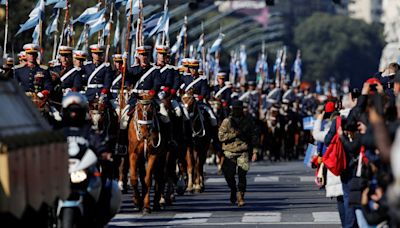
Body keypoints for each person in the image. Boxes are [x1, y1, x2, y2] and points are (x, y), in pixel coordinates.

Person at [218, 100, 259, 207]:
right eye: (235, 109)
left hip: (243, 151)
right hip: (229, 152)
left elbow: (254, 136)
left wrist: (255, 151)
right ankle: (233, 189)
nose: (237, 111)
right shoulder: (227, 121)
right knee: (229, 175)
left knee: (242, 174)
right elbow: (221, 137)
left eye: (239, 109)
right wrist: (233, 134)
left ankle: (241, 195)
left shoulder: (248, 121)